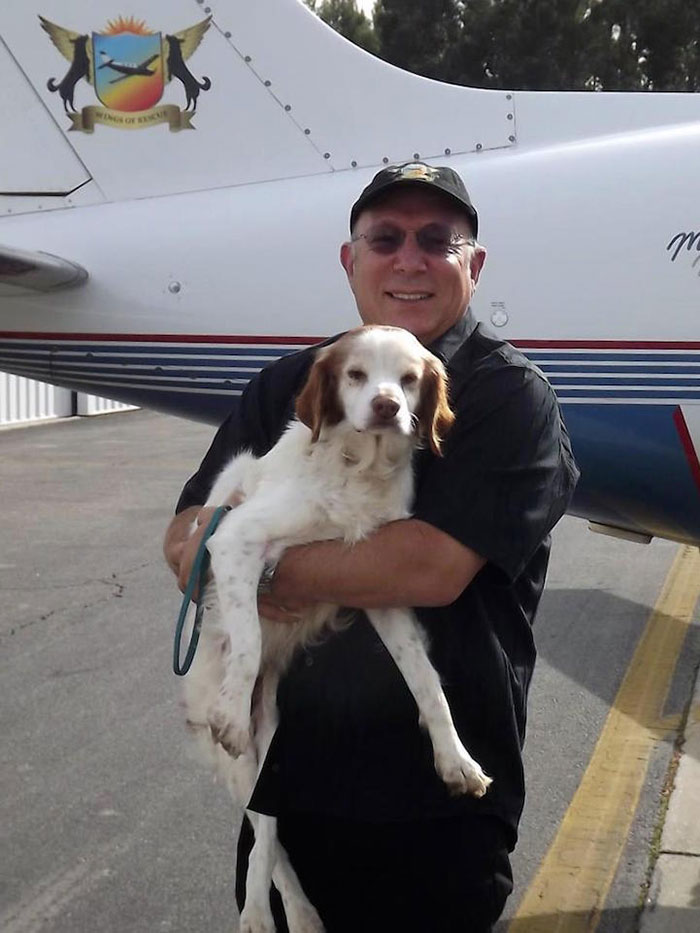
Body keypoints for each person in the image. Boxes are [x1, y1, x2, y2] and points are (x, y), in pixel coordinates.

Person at [164, 161, 579, 932]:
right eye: (385, 238)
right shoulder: (294, 382)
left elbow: (426, 568)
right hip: (290, 787)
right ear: (350, 260)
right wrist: (221, 549)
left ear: (474, 265)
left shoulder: (505, 395)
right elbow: (185, 536)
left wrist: (254, 560)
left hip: (432, 809)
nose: (409, 260)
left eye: (437, 240)